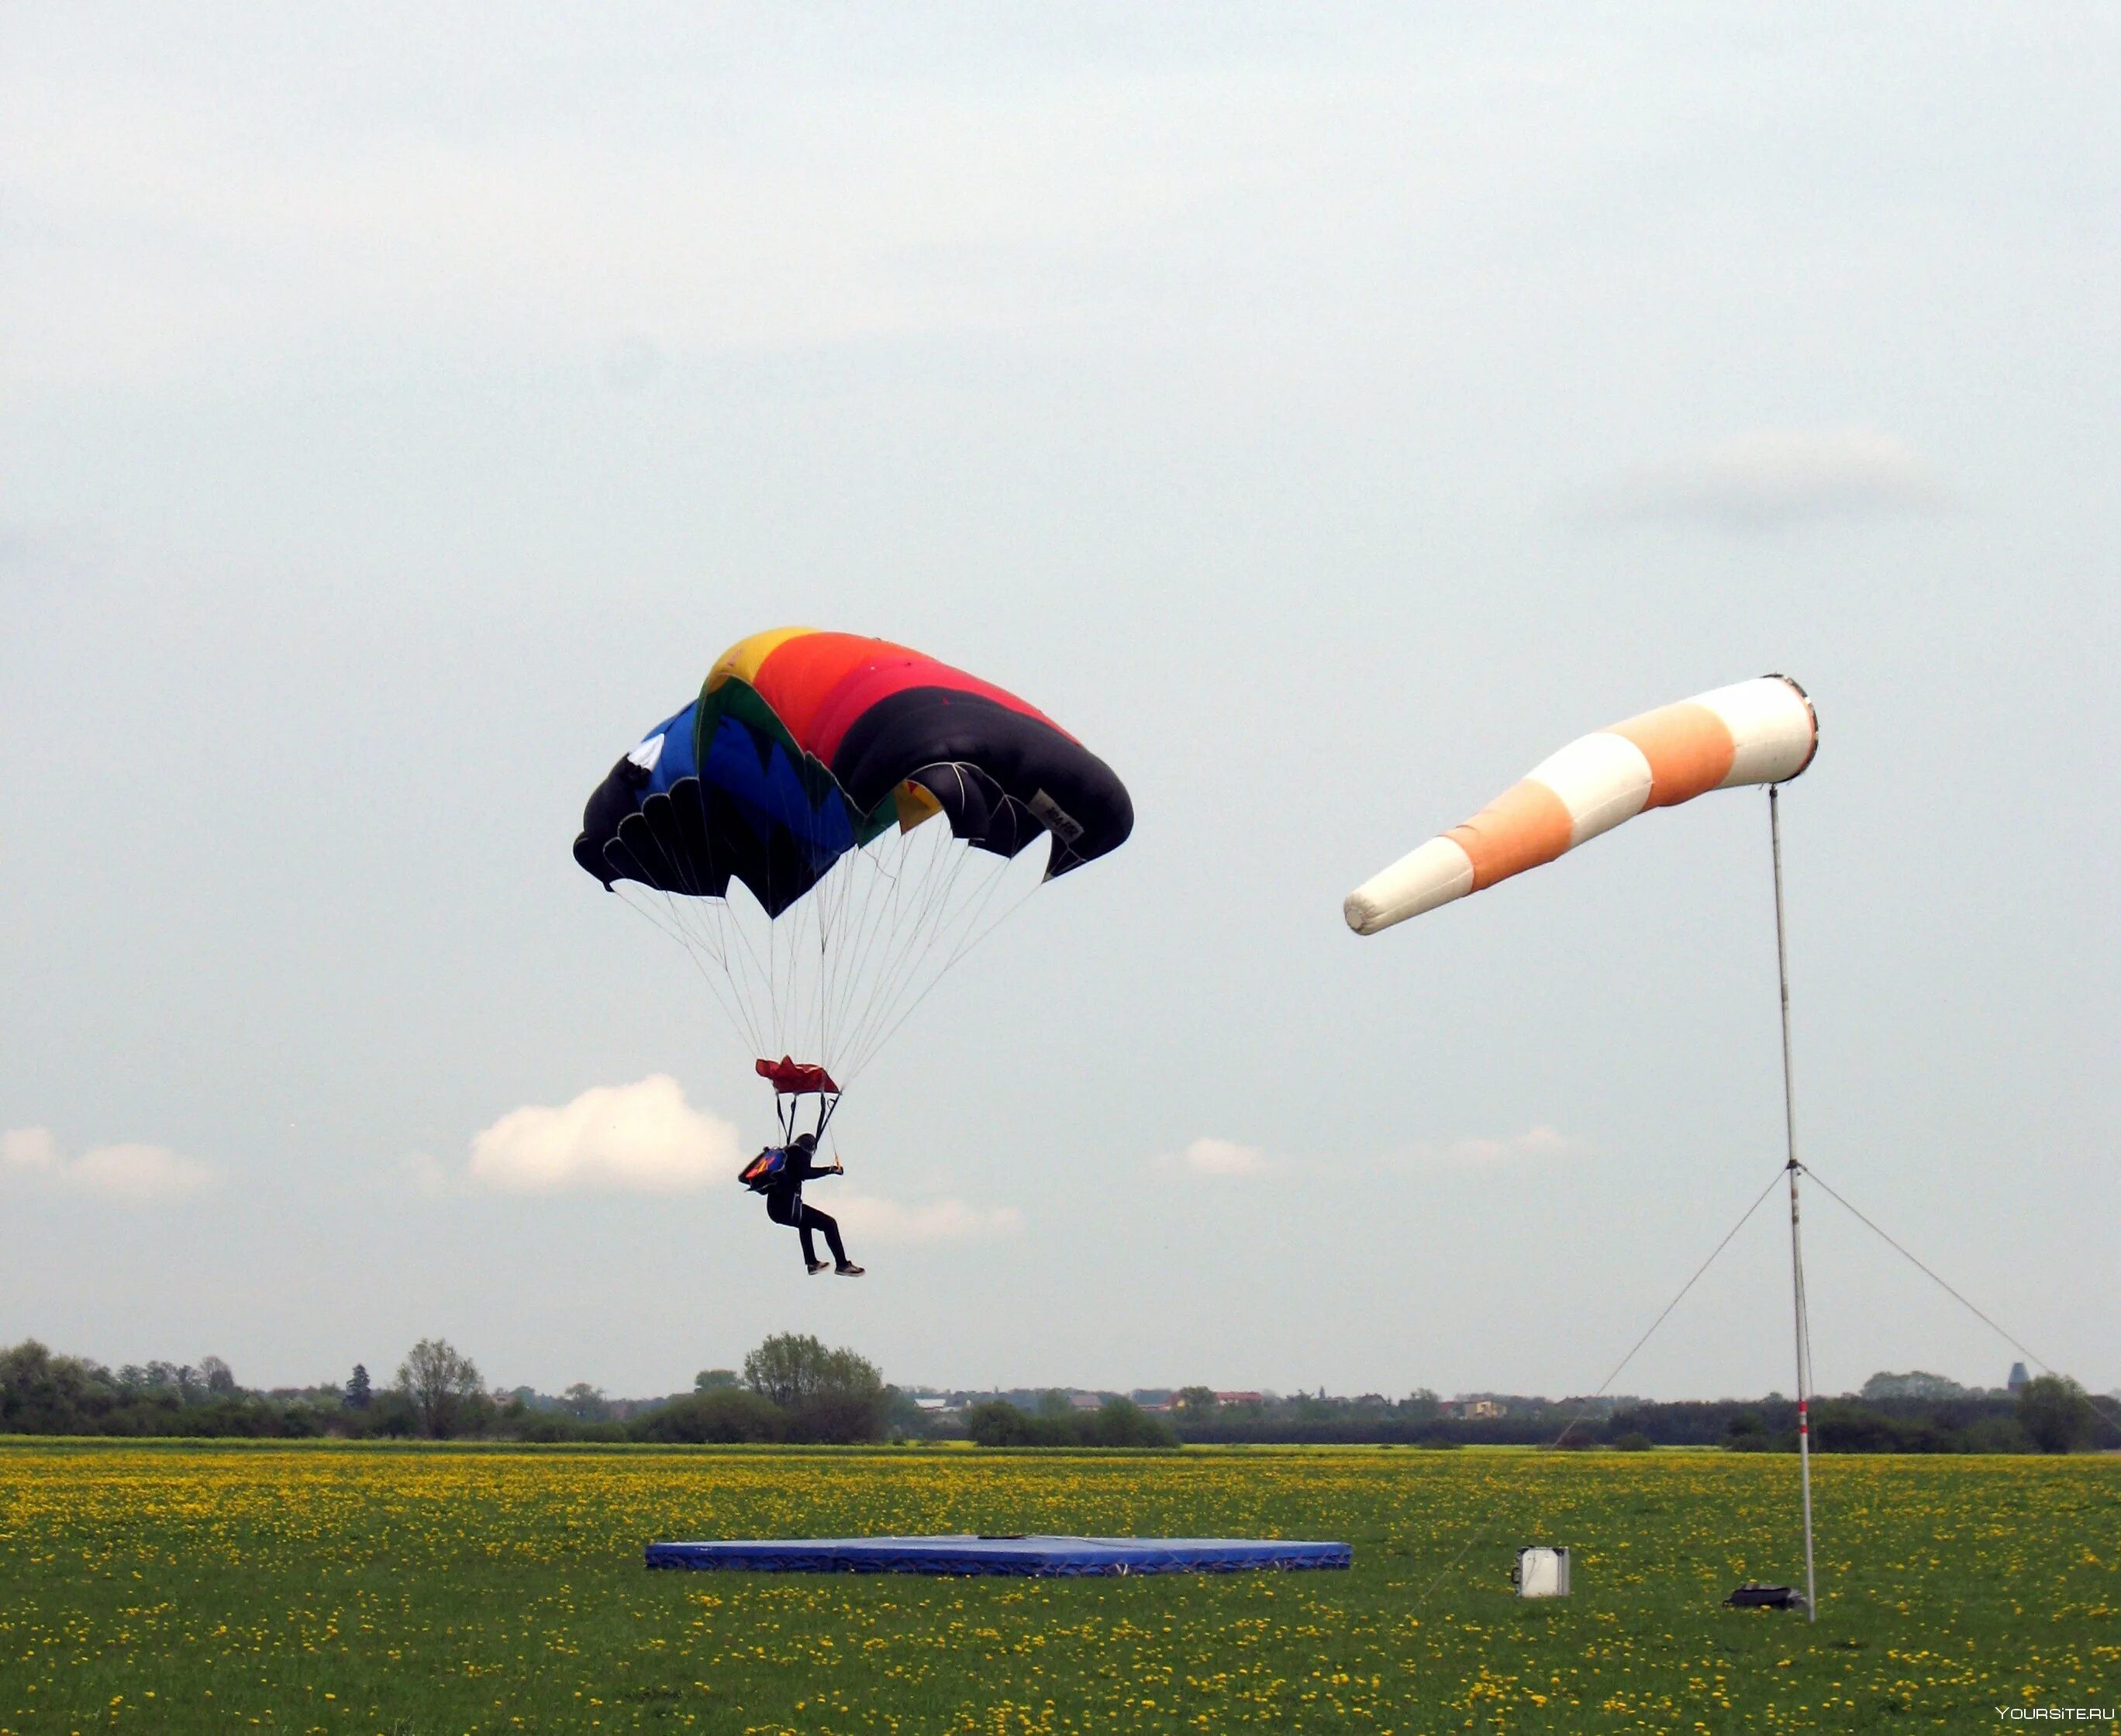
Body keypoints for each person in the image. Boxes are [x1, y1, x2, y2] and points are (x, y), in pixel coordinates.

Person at [762, 1134, 863, 1275]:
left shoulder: (786, 1154)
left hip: (775, 1210)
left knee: (805, 1223)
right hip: (788, 1210)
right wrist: (830, 1170)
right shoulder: (798, 1154)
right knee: (829, 1223)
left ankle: (812, 1263)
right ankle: (842, 1264)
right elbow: (806, 1173)